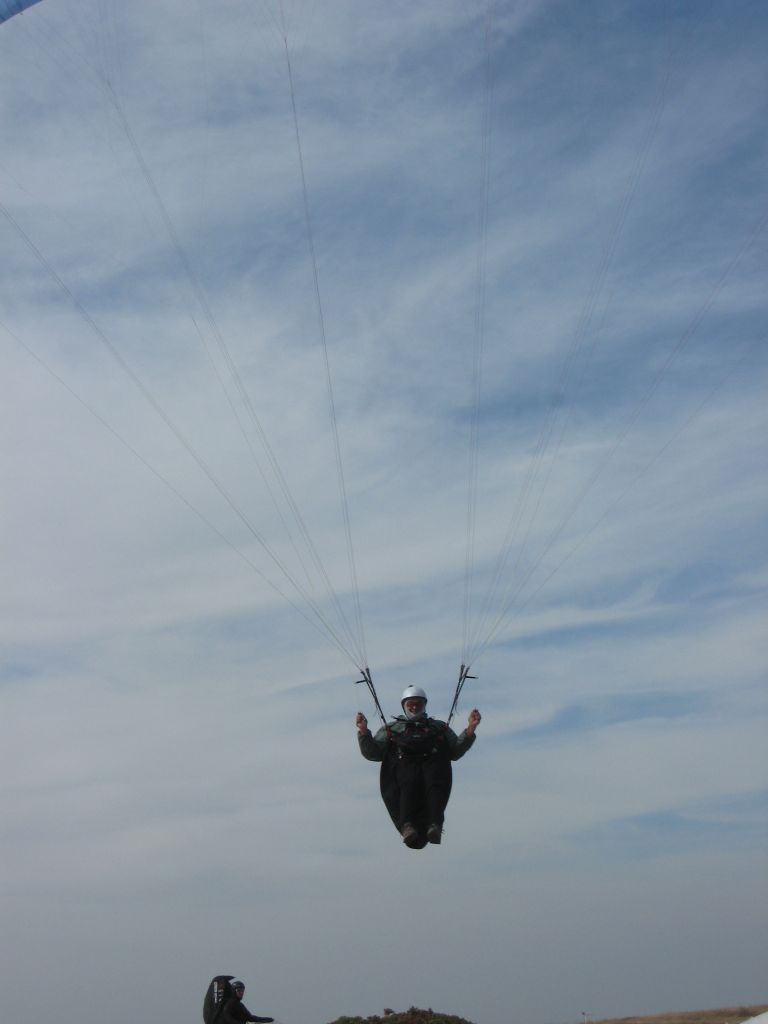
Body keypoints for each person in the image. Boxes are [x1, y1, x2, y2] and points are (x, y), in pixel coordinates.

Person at [356, 685, 481, 848]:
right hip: (404, 770)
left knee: (434, 784)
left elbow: (455, 751)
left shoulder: (438, 727)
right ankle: (407, 826)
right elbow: (373, 753)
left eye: (418, 704)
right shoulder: (392, 728)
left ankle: (434, 824)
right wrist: (363, 731)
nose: (415, 708)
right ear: (404, 706)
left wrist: (471, 728)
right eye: (411, 704)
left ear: (424, 705)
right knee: (409, 782)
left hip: (433, 768)